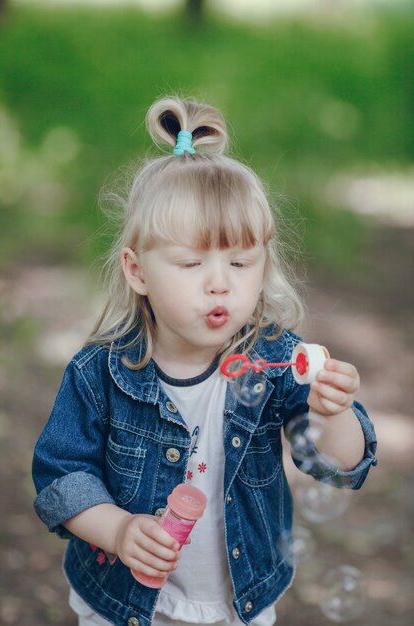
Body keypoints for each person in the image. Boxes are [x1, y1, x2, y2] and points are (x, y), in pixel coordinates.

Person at [32, 96, 377, 626]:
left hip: (240, 602)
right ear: (137, 270)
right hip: (122, 601)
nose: (220, 281)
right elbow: (62, 476)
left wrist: (334, 411)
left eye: (241, 262)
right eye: (192, 262)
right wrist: (118, 531)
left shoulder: (274, 360)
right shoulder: (99, 371)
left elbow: (338, 467)